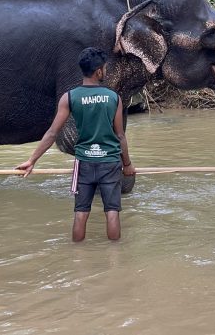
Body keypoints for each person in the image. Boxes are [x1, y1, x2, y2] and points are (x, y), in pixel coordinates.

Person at [17, 47, 136, 242]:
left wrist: (32, 160)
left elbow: (52, 132)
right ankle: (116, 259)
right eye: (105, 68)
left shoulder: (70, 98)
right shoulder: (114, 98)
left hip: (84, 163)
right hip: (110, 161)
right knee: (112, 212)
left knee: (81, 213)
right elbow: (120, 135)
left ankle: (78, 258)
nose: (105, 71)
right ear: (99, 71)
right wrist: (127, 164)